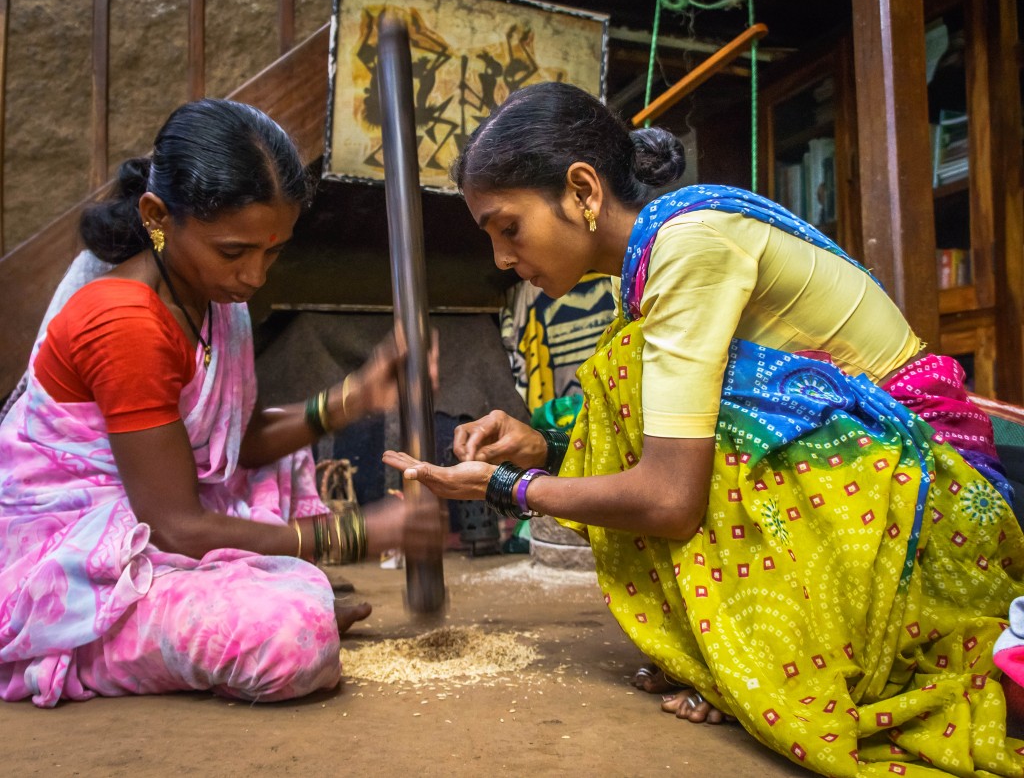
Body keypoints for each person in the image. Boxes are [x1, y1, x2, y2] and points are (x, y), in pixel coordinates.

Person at [383, 82, 1024, 775]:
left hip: (940, 506)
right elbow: (673, 440)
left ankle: (778, 661)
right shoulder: (672, 245)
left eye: (509, 227)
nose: (504, 258)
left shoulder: (688, 247)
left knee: (626, 371)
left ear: (581, 190)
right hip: (901, 483)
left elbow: (669, 496)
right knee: (628, 378)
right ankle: (746, 650)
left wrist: (507, 485)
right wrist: (546, 447)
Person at [0, 98, 440, 708]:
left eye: (273, 251)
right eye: (234, 252)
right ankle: (79, 645)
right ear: (157, 217)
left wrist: (351, 398)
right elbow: (176, 524)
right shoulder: (124, 319)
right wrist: (353, 532)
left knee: (285, 477)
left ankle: (235, 598)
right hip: (75, 554)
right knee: (293, 640)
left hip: (156, 518)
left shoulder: (214, 299)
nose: (255, 276)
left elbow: (231, 441)